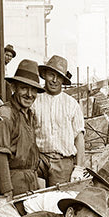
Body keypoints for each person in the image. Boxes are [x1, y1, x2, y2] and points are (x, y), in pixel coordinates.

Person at [0, 59, 44, 204]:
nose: (29, 94)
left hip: (29, 183)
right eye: (24, 88)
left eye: (33, 90)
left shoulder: (29, 115)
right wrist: (7, 192)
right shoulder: (5, 115)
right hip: (13, 183)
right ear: (13, 87)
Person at [34, 55, 85, 188]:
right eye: (51, 75)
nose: (54, 80)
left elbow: (79, 138)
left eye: (59, 77)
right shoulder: (34, 101)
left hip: (63, 162)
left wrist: (79, 167)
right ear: (44, 75)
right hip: (39, 159)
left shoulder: (71, 104)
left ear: (63, 80)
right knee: (35, 196)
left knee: (58, 197)